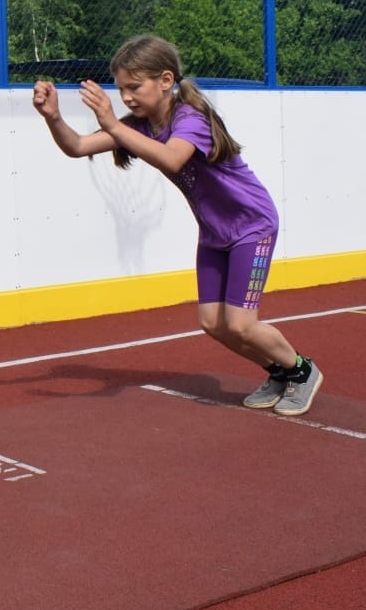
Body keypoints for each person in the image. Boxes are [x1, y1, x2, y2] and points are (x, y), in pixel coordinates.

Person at [31, 34, 323, 415]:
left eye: (134, 87)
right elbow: (77, 147)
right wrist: (53, 117)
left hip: (252, 226)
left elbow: (172, 159)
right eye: (121, 89)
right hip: (216, 233)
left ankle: (303, 371)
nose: (127, 97)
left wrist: (113, 126)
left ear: (165, 80)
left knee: (241, 324)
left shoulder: (191, 119)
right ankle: (278, 371)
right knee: (212, 323)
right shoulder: (139, 125)